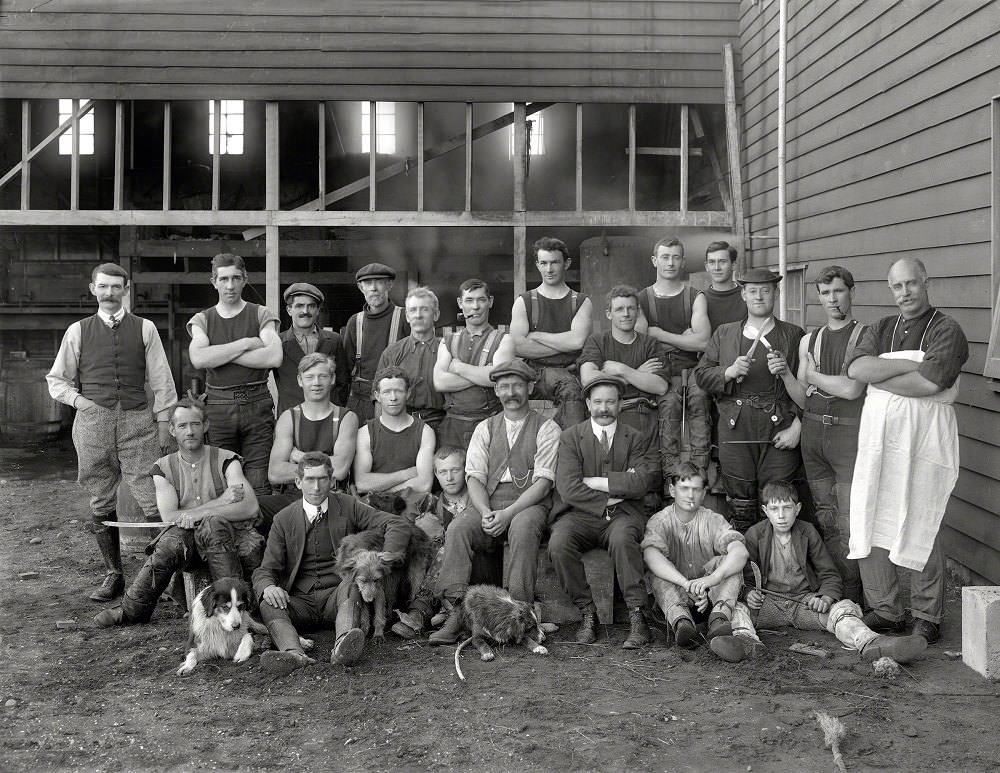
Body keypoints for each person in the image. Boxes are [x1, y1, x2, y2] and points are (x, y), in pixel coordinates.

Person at [845, 258, 969, 644]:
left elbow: (932, 383)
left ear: (925, 281)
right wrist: (907, 368)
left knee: (924, 517)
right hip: (881, 437)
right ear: (890, 289)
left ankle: (926, 615)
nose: (905, 293)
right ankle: (886, 609)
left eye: (911, 284)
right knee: (873, 512)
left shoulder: (946, 328)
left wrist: (883, 374)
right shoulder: (882, 327)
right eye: (897, 286)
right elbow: (855, 369)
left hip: (926, 437)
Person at [47, 262, 178, 602]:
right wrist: (80, 402)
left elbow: (162, 379)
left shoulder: (145, 328)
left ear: (126, 289)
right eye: (103, 287)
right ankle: (114, 575)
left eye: (115, 287)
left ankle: (158, 575)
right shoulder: (78, 330)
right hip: (94, 421)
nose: (109, 293)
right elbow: (56, 380)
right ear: (93, 289)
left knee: (152, 494)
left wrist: (164, 421)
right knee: (100, 496)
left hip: (138, 421)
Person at [94, 399, 262, 627]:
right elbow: (170, 516)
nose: (190, 431)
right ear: (172, 430)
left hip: (229, 535)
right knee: (168, 545)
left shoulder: (227, 460)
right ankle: (132, 611)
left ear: (205, 426)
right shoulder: (163, 468)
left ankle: (237, 616)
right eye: (182, 426)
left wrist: (200, 513)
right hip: (188, 538)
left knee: (214, 525)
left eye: (195, 424)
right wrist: (222, 501)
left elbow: (250, 507)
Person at [430, 359, 560, 645]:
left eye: (516, 385)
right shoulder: (485, 428)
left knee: (523, 528)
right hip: (490, 502)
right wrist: (487, 511)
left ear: (530, 387)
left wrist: (508, 513)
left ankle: (520, 613)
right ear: (496, 391)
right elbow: (474, 477)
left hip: (529, 505)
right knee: (459, 528)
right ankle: (457, 613)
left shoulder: (547, 429)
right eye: (503, 387)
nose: (510, 392)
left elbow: (543, 483)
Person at [252, 452, 411, 672]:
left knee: (351, 584)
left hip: (337, 597)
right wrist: (268, 586)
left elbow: (395, 523)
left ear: (332, 481)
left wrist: (388, 553)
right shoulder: (283, 519)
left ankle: (343, 647)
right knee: (268, 602)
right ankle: (293, 654)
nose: (316, 487)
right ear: (298, 482)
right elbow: (265, 569)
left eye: (322, 479)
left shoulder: (348, 506)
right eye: (309, 479)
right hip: (300, 602)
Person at [739, 481, 927, 663]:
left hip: (803, 603)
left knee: (842, 609)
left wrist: (825, 598)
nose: (781, 515)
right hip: (768, 604)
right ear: (765, 511)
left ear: (797, 509)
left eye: (787, 508)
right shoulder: (755, 535)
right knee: (737, 609)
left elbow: (829, 574)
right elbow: (744, 578)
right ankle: (744, 642)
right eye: (774, 509)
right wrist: (749, 594)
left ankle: (870, 641)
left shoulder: (807, 532)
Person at [549, 375, 660, 649]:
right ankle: (587, 613)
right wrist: (617, 487)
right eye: (598, 402)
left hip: (623, 515)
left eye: (610, 402)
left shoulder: (635, 438)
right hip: (581, 516)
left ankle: (637, 616)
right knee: (559, 542)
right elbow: (568, 488)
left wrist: (596, 482)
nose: (603, 408)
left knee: (623, 540)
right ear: (588, 404)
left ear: (620, 404)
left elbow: (641, 482)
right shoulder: (571, 437)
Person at [694, 268, 805, 533]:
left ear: (776, 294)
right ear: (743, 294)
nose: (759, 297)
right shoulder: (724, 334)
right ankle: (745, 568)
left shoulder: (793, 334)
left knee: (778, 499)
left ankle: (777, 566)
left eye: (766, 291)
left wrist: (798, 428)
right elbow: (702, 375)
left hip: (780, 429)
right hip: (736, 428)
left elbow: (808, 389)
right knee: (741, 502)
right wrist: (728, 372)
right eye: (753, 291)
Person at [792, 266, 867, 602]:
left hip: (848, 438)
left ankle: (857, 593)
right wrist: (786, 376)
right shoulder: (810, 340)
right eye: (825, 293)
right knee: (826, 517)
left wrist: (814, 376)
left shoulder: (866, 336)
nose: (832, 299)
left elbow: (851, 390)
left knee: (851, 520)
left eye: (838, 291)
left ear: (851, 291)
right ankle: (837, 589)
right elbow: (800, 395)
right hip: (813, 435)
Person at [187, 253, 282, 496]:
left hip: (257, 403)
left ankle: (257, 533)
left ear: (245, 279)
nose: (230, 286)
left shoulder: (261, 313)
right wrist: (247, 343)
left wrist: (219, 355)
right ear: (214, 282)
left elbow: (274, 357)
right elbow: (199, 358)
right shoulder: (202, 319)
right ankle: (226, 534)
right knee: (223, 479)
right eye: (224, 279)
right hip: (219, 407)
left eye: (236, 278)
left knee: (259, 481)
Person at [642, 462, 750, 663]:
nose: (690, 495)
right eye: (684, 488)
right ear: (672, 490)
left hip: (710, 600)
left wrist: (712, 579)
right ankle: (682, 624)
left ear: (704, 493)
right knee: (658, 569)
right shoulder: (660, 521)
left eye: (696, 489)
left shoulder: (713, 519)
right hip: (675, 600)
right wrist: (686, 584)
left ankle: (719, 619)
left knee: (730, 563)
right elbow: (650, 556)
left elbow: (740, 551)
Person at [635, 237, 712, 477]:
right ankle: (671, 478)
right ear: (654, 260)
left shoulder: (694, 297)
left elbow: (702, 342)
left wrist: (660, 334)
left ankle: (698, 475)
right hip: (659, 371)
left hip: (692, 369)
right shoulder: (641, 299)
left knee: (700, 401)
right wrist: (683, 338)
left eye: (676, 257)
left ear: (683, 261)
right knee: (668, 405)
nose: (670, 263)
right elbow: (641, 340)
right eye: (665, 257)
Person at [581, 285, 670, 490]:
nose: (626, 313)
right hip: (609, 416)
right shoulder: (597, 341)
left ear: (638, 311)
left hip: (643, 415)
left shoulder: (650, 344)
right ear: (608, 314)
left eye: (631, 308)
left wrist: (623, 370)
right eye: (619, 309)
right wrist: (638, 374)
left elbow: (660, 386)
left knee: (646, 486)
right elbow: (588, 379)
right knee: (610, 479)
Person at [260, 353, 358, 533]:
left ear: (333, 379)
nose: (316, 383)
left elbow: (341, 470)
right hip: (294, 495)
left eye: (323, 376)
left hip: (332, 496)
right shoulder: (289, 417)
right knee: (253, 507)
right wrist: (326, 464)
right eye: (309, 377)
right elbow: (275, 473)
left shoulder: (346, 417)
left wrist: (299, 456)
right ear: (299, 380)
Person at [509, 237, 591, 429]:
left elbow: (577, 342)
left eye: (555, 262)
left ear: (566, 264)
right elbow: (518, 346)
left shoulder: (580, 301)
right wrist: (564, 344)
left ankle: (571, 449)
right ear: (537, 265)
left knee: (572, 389)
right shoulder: (525, 301)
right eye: (544, 263)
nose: (549, 269)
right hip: (533, 373)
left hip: (571, 373)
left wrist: (537, 336)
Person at [391, 445, 471, 640]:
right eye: (443, 472)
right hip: (435, 572)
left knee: (447, 548)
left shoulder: (476, 499)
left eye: (455, 470)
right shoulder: (430, 503)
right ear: (436, 474)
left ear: (466, 470)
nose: (449, 478)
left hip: (470, 565)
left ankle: (422, 612)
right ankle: (423, 612)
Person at [433, 279, 515, 449]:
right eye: (469, 300)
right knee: (452, 474)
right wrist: (484, 372)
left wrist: (459, 368)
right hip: (453, 425)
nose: (475, 306)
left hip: (490, 423)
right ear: (460, 303)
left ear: (490, 302)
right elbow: (440, 382)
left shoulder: (504, 340)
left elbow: (498, 379)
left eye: (481, 300)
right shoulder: (448, 341)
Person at [353, 366, 435, 498]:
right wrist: (406, 474)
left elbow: (424, 485)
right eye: (387, 392)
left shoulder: (424, 431)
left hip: (411, 508)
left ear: (408, 393)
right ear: (377, 396)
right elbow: (362, 483)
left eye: (398, 391)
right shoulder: (365, 433)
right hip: (374, 509)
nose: (393, 397)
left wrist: (381, 490)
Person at [343, 262, 409, 423]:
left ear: (389, 284)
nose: (374, 288)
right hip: (361, 402)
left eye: (379, 282)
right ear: (361, 287)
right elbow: (343, 371)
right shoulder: (355, 322)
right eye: (368, 283)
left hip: (395, 401)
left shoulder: (404, 317)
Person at [376, 286, 445, 437]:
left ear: (436, 314)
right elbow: (379, 399)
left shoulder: (448, 350)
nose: (418, 315)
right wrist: (382, 434)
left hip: (441, 425)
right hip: (401, 425)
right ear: (407, 316)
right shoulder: (392, 353)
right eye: (413, 310)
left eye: (425, 309)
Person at [273, 282, 349, 416]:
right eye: (299, 306)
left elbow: (343, 381)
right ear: (289, 310)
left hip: (328, 415)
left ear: (318, 310)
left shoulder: (334, 340)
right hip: (291, 417)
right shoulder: (277, 343)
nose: (305, 311)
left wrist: (336, 408)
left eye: (311, 306)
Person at [702, 241, 747, 332]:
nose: (717, 267)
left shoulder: (747, 296)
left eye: (722, 262)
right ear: (706, 266)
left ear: (733, 265)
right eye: (712, 262)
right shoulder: (700, 299)